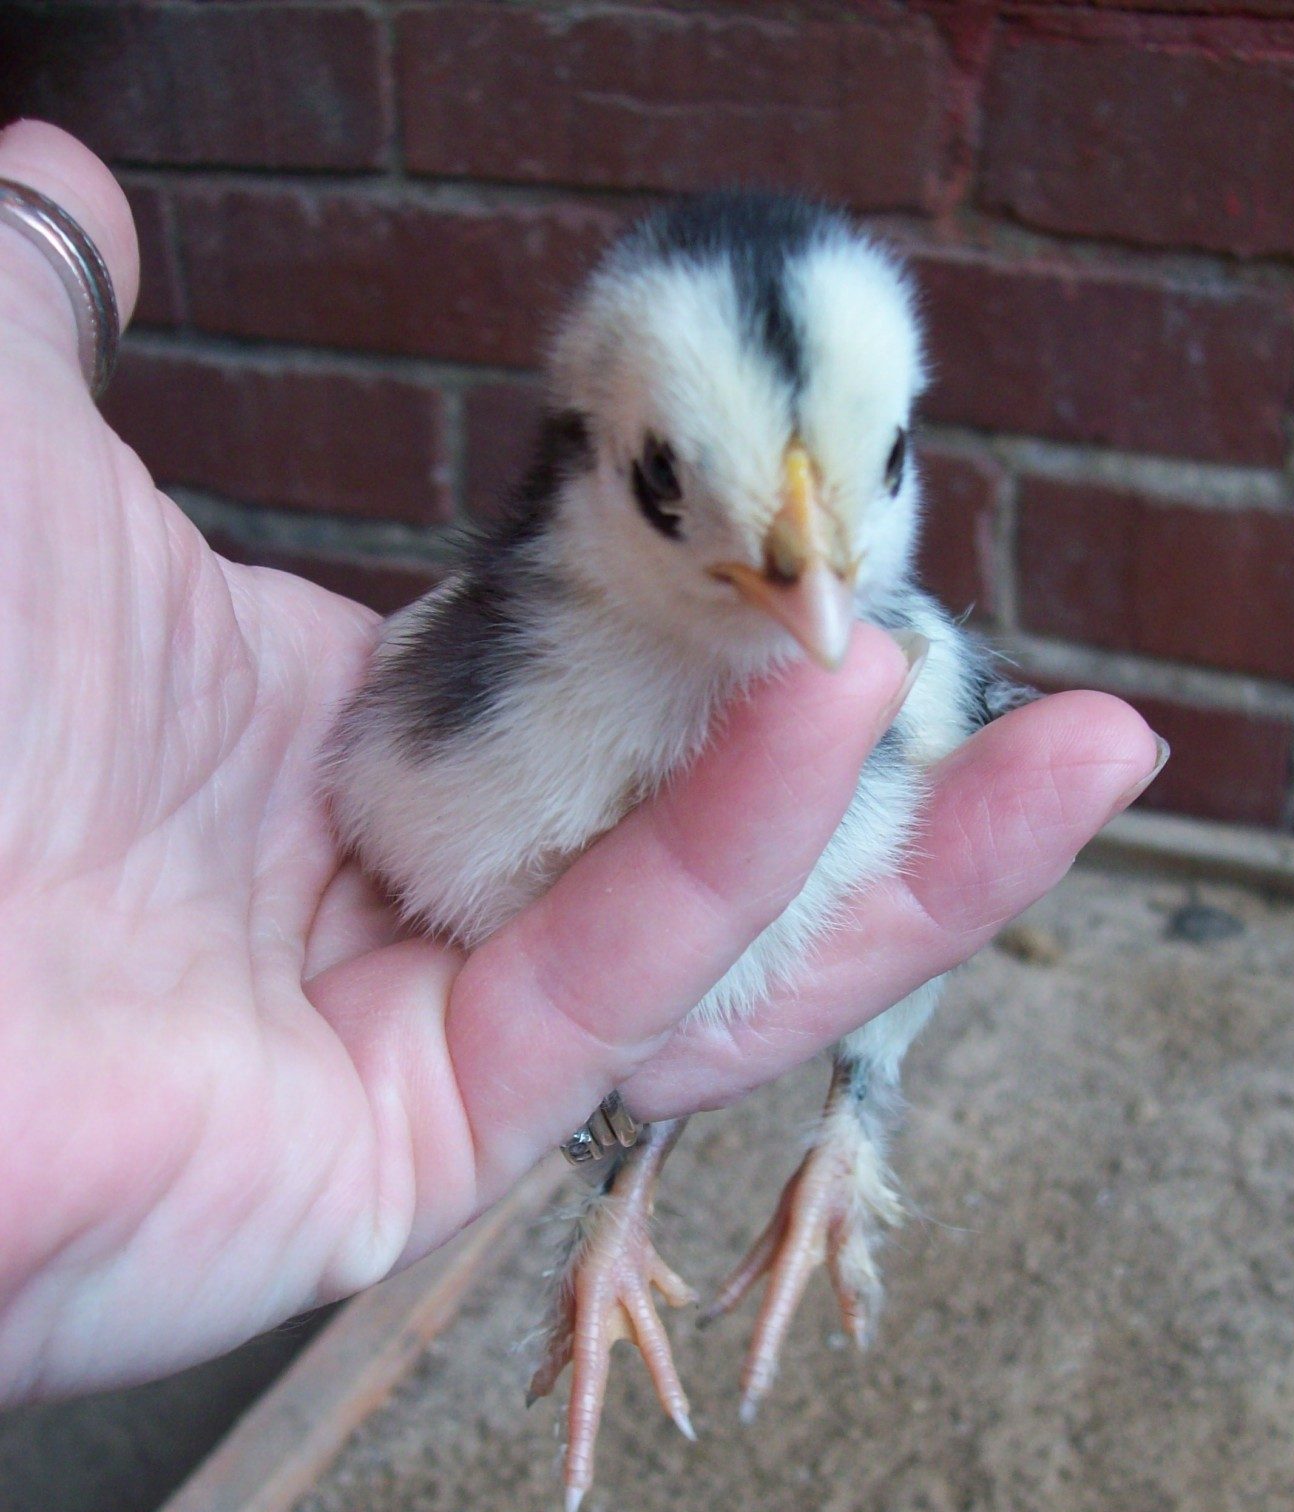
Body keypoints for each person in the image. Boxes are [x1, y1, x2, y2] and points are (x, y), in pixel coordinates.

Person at [0, 120, 1160, 1403]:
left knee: (895, 895)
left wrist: (854, 1122)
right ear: (591, 457)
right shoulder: (417, 702)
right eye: (670, 482)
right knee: (652, 1013)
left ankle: (856, 1118)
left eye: (880, 467)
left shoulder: (907, 696)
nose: (820, 599)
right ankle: (624, 1190)